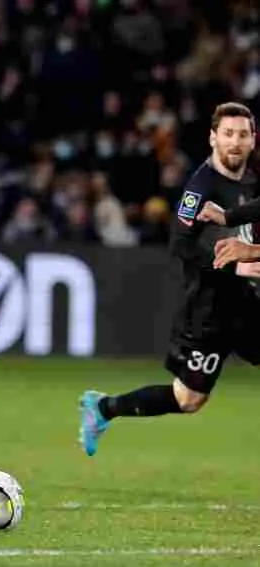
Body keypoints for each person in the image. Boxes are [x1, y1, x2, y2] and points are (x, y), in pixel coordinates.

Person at [79, 102, 260, 456]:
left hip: (246, 302)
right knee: (188, 399)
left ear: (253, 140)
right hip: (209, 309)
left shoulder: (254, 177)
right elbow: (180, 244)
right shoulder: (200, 188)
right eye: (227, 134)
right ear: (213, 138)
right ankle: (102, 408)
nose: (235, 142)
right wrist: (234, 265)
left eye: (242, 134)